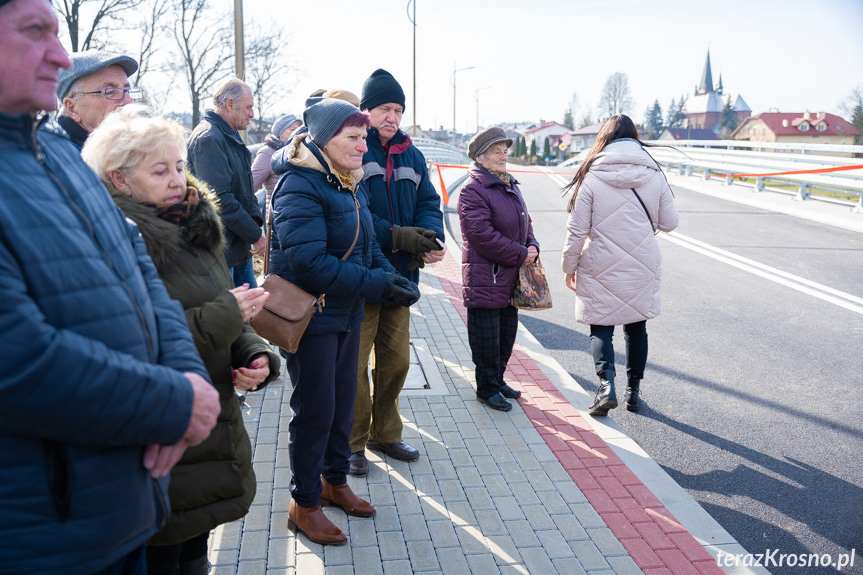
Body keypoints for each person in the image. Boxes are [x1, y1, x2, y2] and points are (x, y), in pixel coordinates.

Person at [0, 1, 220, 573]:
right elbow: (16, 358)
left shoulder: (52, 153)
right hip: (44, 537)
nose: (59, 54)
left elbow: (140, 275)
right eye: (34, 33)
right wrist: (175, 404)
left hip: (118, 512)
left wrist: (189, 379)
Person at [82, 104, 282, 575]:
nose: (177, 179)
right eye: (160, 170)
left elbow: (227, 309)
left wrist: (256, 354)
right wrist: (226, 315)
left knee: (195, 553)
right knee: (161, 555)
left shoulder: (194, 224)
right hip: (158, 437)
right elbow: (134, 341)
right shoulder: (108, 243)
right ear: (119, 180)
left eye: (178, 166)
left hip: (210, 428)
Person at [270, 97, 419, 546]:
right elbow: (309, 263)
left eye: (362, 137)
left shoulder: (346, 180)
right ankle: (305, 502)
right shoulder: (299, 185)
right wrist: (376, 284)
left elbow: (368, 240)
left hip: (347, 311)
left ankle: (335, 483)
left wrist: (390, 278)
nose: (363, 146)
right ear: (325, 139)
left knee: (341, 404)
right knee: (314, 410)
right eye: (353, 138)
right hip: (313, 317)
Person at [350, 68, 445, 476]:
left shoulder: (412, 153)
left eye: (398, 109)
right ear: (366, 110)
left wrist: (432, 236)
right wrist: (401, 236)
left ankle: (385, 433)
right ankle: (352, 443)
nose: (392, 117)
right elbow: (355, 212)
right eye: (385, 108)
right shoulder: (353, 147)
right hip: (364, 277)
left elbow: (429, 200)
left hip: (402, 277)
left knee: (397, 362)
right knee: (354, 367)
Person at [561, 115, 679, 415]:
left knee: (600, 327)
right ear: (635, 137)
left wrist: (569, 266)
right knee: (636, 328)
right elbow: (670, 223)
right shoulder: (654, 174)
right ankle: (634, 392)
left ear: (605, 139)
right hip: (643, 262)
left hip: (600, 262)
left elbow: (576, 230)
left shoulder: (592, 175)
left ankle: (606, 387)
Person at [458, 127, 540, 412]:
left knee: (506, 334)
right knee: (486, 338)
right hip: (486, 276)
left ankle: (498, 379)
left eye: (505, 150)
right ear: (481, 157)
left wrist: (533, 245)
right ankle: (486, 388)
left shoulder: (509, 184)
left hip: (509, 275)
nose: (504, 155)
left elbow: (525, 222)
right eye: (497, 151)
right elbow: (481, 235)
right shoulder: (473, 190)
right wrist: (521, 254)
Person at [187, 78, 263, 288]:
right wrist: (256, 234)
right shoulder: (209, 139)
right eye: (248, 107)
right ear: (230, 104)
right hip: (221, 250)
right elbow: (220, 200)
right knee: (235, 315)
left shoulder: (228, 136)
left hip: (237, 244)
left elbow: (245, 190)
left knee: (252, 311)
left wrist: (252, 229)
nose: (252, 114)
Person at [56, 49, 140, 148]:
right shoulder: (55, 157)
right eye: (110, 91)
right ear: (72, 108)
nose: (128, 101)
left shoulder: (136, 152)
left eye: (127, 90)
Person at [252, 113, 301, 196]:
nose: (297, 132)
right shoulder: (267, 153)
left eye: (298, 129)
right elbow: (251, 186)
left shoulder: (300, 151)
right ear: (281, 134)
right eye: (293, 129)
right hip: (278, 208)